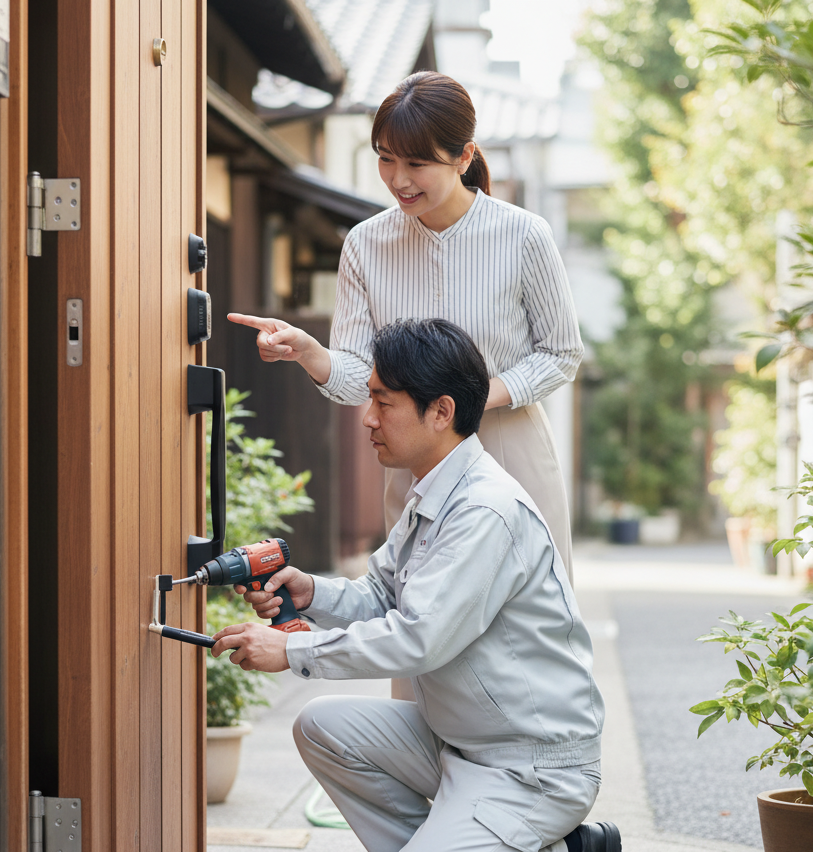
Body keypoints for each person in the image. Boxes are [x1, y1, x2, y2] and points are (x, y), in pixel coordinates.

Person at [210, 319, 620, 852]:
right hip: (463, 742)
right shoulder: (432, 492)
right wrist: (311, 593)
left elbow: (418, 638)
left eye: (383, 401)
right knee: (321, 725)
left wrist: (292, 649)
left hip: (528, 767)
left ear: (441, 412)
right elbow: (381, 595)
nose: (367, 418)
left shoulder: (484, 510)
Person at [227, 71, 580, 588]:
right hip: (416, 462)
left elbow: (561, 353)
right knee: (417, 613)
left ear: (463, 157)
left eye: (416, 163)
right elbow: (358, 378)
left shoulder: (524, 234)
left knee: (524, 612)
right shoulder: (365, 244)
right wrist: (309, 352)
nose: (398, 179)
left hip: (509, 449)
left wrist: (474, 398)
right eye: (386, 158)